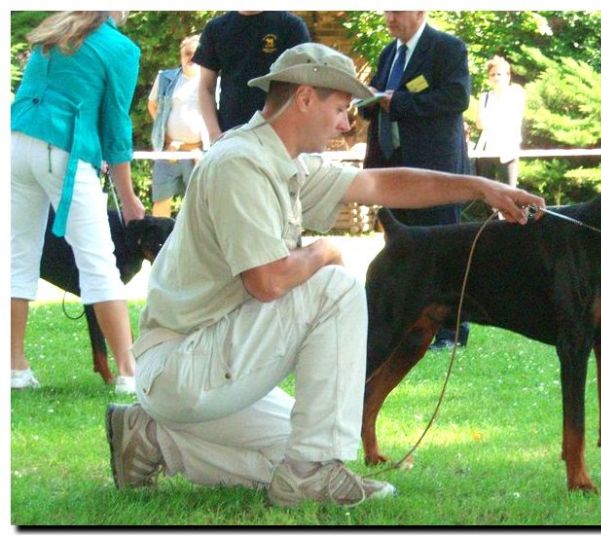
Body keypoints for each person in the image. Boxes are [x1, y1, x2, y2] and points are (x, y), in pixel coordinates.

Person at [105, 43, 546, 508]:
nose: (346, 124)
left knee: (294, 447)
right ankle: (314, 471)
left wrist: (481, 187)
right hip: (181, 365)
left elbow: (380, 184)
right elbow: (267, 281)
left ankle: (149, 437)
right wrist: (325, 251)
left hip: (198, 366)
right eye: (340, 109)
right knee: (336, 288)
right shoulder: (241, 163)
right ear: (304, 98)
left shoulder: (281, 160)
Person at [10, 11, 145, 395]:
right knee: (99, 262)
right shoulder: (120, 47)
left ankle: (14, 367)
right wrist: (128, 199)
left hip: (16, 141)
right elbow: (116, 128)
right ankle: (130, 372)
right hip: (63, 147)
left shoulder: (54, 30)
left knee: (17, 258)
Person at [361, 11, 471, 350]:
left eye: (397, 9)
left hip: (434, 171)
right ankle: (406, 320)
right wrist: (366, 98)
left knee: (444, 248)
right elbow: (376, 102)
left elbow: (457, 97)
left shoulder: (447, 48)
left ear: (420, 11)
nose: (389, 16)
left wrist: (398, 102)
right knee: (401, 247)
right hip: (392, 166)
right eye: (386, 10)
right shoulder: (388, 52)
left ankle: (452, 331)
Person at [193, 11, 310, 143]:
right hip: (230, 135)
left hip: (278, 135)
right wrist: (214, 134)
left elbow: (303, 83)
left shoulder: (291, 25)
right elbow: (206, 88)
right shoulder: (215, 28)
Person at [147, 34, 209, 218]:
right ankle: (160, 236)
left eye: (196, 53)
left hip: (199, 152)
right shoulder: (165, 78)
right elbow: (152, 105)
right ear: (181, 55)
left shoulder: (211, 81)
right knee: (160, 203)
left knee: (199, 206)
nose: (191, 57)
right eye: (187, 53)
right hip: (169, 149)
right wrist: (164, 134)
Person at [474, 56, 526, 188]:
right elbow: (479, 123)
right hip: (486, 151)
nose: (496, 77)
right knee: (484, 191)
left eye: (499, 74)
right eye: (492, 74)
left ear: (508, 76)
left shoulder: (516, 94)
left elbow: (512, 120)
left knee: (509, 191)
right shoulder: (485, 97)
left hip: (508, 150)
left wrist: (490, 121)